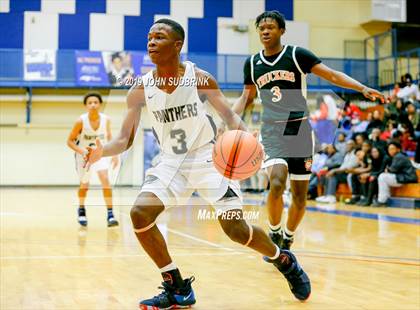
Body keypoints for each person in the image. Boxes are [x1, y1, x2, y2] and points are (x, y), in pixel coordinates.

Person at [86, 19, 310, 309]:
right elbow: (124, 141)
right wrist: (100, 151)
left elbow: (229, 116)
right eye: (149, 37)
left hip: (208, 159)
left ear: (177, 45)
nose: (151, 42)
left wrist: (244, 134)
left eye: (159, 37)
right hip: (170, 163)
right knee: (140, 214)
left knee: (236, 230)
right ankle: (177, 287)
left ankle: (283, 260)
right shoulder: (139, 90)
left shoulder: (200, 78)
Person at [232, 10, 383, 249]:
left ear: (281, 30)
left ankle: (288, 236)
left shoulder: (296, 55)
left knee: (300, 198)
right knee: (278, 182)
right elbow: (246, 98)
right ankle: (274, 233)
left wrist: (361, 88)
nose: (265, 31)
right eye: (261, 28)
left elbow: (332, 75)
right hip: (272, 131)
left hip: (300, 131)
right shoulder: (252, 64)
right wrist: (226, 122)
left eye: (270, 27)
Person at [66, 92, 119, 227]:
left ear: (100, 104)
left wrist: (114, 154)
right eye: (90, 103)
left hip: (99, 154)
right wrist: (82, 151)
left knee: (105, 180)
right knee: (85, 184)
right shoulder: (80, 121)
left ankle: (110, 214)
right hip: (83, 156)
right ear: (86, 106)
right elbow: (69, 141)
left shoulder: (106, 119)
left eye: (95, 102)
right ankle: (81, 209)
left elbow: (109, 136)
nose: (93, 105)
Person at [374, 141, 418, 207]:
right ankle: (384, 198)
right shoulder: (397, 156)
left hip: (407, 177)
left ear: (398, 149)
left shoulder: (399, 156)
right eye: (389, 149)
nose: (390, 151)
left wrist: (388, 169)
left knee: (382, 177)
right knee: (382, 176)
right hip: (403, 176)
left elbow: (393, 170)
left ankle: (382, 200)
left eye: (392, 149)